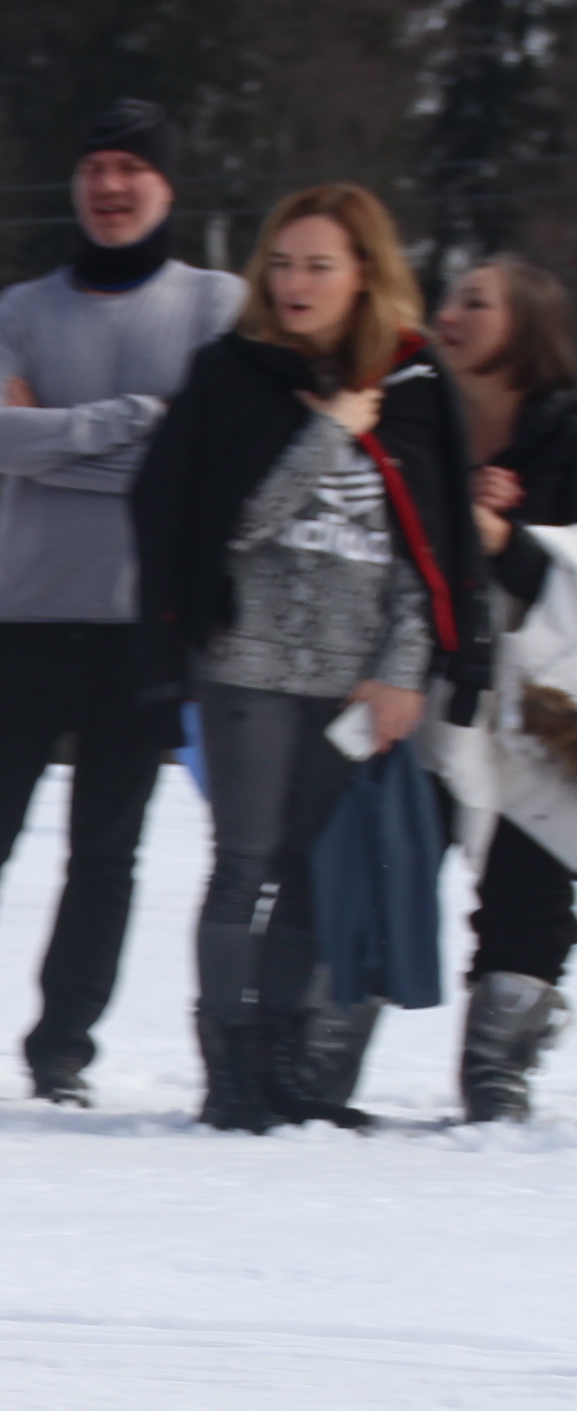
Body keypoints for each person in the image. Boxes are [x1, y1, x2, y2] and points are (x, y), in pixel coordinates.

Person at [0, 102, 245, 1109]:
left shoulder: (215, 305)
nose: (110, 187)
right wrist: (139, 421)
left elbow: (207, 454)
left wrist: (59, 441)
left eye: (132, 169)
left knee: (104, 857)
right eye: (95, 167)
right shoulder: (22, 310)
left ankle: (62, 1049)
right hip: (21, 620)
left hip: (143, 627)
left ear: (167, 186)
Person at [133, 184, 486, 1131]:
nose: (295, 283)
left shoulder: (414, 384)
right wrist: (330, 431)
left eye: (319, 266)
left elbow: (429, 550)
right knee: (244, 862)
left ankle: (287, 1064)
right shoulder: (232, 376)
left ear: (363, 274)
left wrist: (405, 670)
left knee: (309, 870)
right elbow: (229, 527)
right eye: (282, 264)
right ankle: (230, 1067)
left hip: (356, 680)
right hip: (248, 667)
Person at [426, 253, 577, 1118]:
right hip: (424, 685)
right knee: (391, 854)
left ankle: (497, 1067)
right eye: (449, 298)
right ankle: (321, 1053)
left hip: (542, 697)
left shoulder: (567, 431)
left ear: (526, 326)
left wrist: (504, 538)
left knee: (529, 869)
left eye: (474, 303)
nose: (448, 315)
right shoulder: (417, 415)